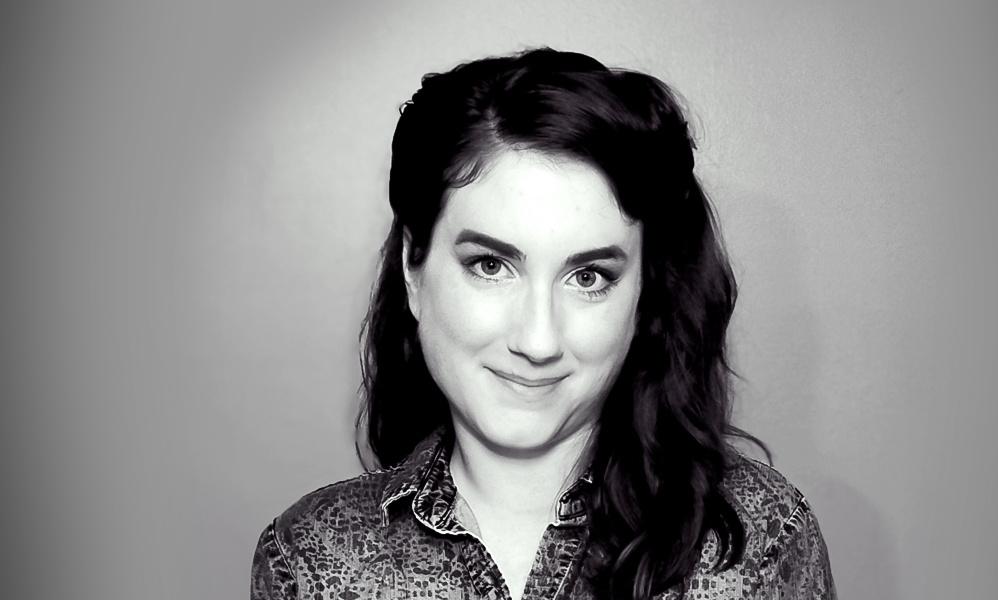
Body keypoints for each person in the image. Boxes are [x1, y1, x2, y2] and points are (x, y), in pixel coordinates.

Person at [251, 48, 835, 600]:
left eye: (588, 277)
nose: (537, 341)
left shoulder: (758, 544)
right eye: (490, 265)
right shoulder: (310, 559)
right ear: (413, 268)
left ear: (644, 293)